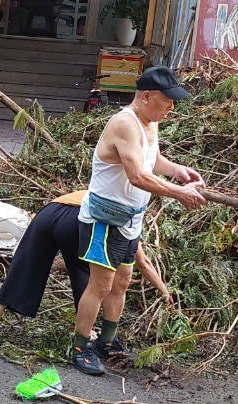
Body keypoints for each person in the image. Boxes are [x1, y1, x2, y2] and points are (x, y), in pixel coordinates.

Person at [72, 66, 207, 376]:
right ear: (146, 96)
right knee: (101, 285)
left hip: (131, 220)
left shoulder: (149, 123)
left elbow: (151, 159)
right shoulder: (124, 123)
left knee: (121, 282)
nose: (172, 107)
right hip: (103, 221)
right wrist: (179, 193)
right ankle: (81, 345)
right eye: (167, 101)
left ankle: (107, 341)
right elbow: (137, 175)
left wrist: (177, 171)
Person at [0, 190, 172, 339]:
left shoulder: (103, 193)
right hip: (78, 221)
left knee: (24, 264)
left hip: (48, 213)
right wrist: (165, 292)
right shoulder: (128, 217)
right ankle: (87, 333)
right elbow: (143, 262)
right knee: (87, 274)